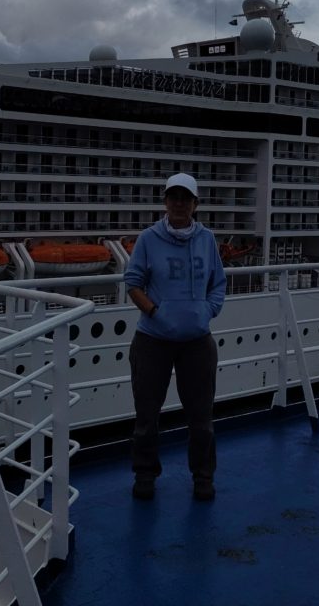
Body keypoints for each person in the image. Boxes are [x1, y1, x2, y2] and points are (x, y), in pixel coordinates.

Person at [124, 172, 227, 501]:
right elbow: (133, 284)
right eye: (174, 197)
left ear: (196, 204)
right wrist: (156, 312)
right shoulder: (148, 238)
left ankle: (203, 476)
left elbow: (218, 282)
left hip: (197, 342)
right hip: (152, 340)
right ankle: (145, 474)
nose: (179, 203)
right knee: (147, 415)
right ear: (165, 201)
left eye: (186, 198)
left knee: (201, 417)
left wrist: (207, 311)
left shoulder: (207, 239)